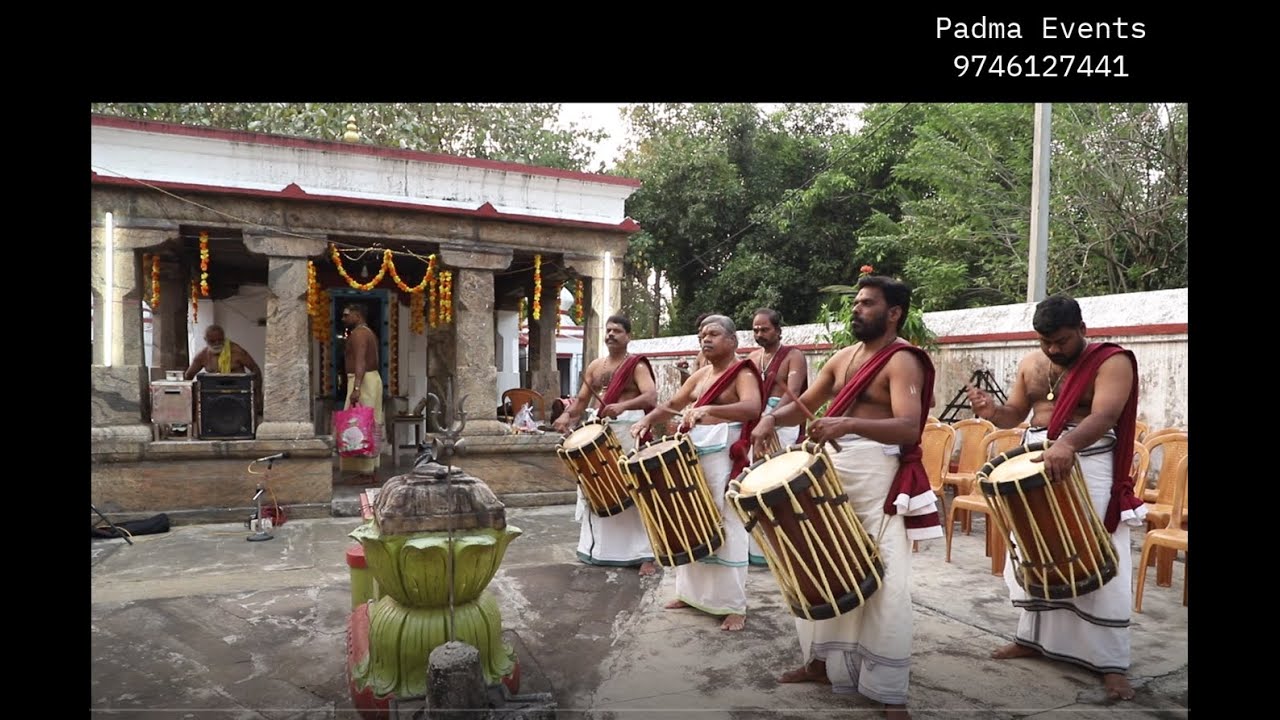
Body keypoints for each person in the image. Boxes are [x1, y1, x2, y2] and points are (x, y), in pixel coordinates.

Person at [750, 275, 940, 720]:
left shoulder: (903, 361)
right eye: (856, 302)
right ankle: (819, 663)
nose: (856, 309)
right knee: (822, 563)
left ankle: (890, 690)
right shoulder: (843, 357)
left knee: (884, 576)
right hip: (832, 470)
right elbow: (804, 402)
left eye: (867, 303)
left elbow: (908, 427)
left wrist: (848, 424)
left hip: (877, 476)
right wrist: (770, 420)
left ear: (893, 313)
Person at [965, 293, 1144, 702]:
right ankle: (1031, 638)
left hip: (1088, 461)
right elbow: (1014, 415)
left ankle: (1112, 663)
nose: (1053, 349)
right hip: (1033, 464)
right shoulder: (1031, 363)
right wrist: (991, 411)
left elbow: (1105, 415)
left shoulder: (1111, 361)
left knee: (1098, 551)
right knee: (1034, 550)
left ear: (1082, 329)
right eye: (1046, 342)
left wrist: (1068, 444)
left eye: (1062, 341)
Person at [630, 314, 762, 632]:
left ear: (732, 340)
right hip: (695, 453)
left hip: (726, 456)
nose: (706, 339)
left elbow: (752, 408)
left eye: (713, 334)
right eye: (702, 334)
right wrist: (647, 420)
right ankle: (689, 595)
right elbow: (673, 404)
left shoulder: (742, 372)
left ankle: (733, 606)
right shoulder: (701, 375)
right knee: (690, 518)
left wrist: (711, 409)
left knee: (726, 522)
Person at [553, 315, 659, 576]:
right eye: (608, 330)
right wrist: (567, 415)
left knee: (633, 489)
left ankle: (645, 555)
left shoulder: (636, 365)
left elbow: (651, 396)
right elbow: (581, 400)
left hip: (629, 430)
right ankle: (599, 551)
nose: (611, 334)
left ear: (628, 336)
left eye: (617, 331)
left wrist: (622, 406)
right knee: (597, 486)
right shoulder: (595, 366)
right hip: (601, 429)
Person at [745, 308, 810, 565]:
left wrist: (771, 418)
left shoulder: (793, 356)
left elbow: (793, 393)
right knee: (755, 481)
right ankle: (758, 551)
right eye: (756, 330)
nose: (759, 334)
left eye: (765, 329)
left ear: (778, 331)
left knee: (779, 481)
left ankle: (787, 547)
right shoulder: (752, 357)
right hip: (756, 425)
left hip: (782, 423)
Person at [340, 304, 383, 483]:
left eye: (346, 315)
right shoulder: (367, 332)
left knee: (361, 424)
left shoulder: (359, 334)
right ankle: (367, 470)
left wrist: (357, 387)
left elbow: (360, 360)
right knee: (367, 423)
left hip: (363, 381)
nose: (343, 319)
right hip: (368, 379)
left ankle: (366, 472)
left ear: (357, 316)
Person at [185, 324, 264, 418]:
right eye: (212, 341)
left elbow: (255, 369)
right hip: (214, 400)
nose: (217, 343)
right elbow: (188, 376)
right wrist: (191, 403)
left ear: (224, 337)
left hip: (238, 397)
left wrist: (258, 396)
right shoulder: (202, 356)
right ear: (205, 340)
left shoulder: (236, 351)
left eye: (220, 340)